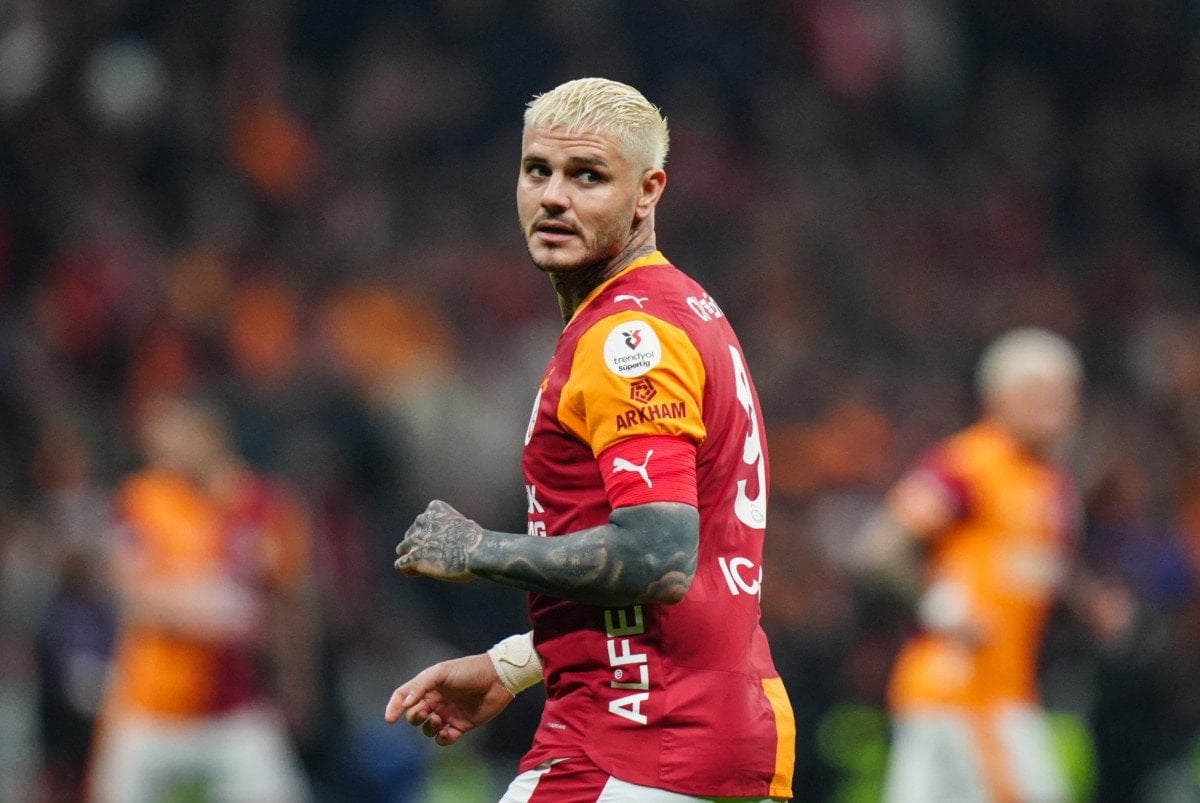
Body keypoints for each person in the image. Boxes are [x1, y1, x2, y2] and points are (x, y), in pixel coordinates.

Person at [384, 77, 796, 802]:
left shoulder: (626, 339)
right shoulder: (677, 307)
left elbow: (658, 555)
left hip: (635, 740)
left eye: (587, 177)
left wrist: (478, 549)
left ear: (647, 192)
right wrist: (514, 664)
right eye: (536, 170)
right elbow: (693, 571)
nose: (553, 197)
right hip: (709, 728)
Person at [854, 327, 1132, 803]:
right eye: (1037, 391)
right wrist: (945, 610)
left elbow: (1046, 566)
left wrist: (1092, 603)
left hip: (1007, 693)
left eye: (1065, 391)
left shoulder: (1055, 484)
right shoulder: (966, 464)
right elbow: (880, 551)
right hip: (958, 687)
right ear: (996, 398)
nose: (1055, 404)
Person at [87, 391, 318, 802]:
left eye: (168, 439)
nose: (159, 454)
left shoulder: (267, 505)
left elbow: (290, 600)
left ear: (207, 434)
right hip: (150, 707)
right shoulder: (144, 497)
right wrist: (218, 613)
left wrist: (296, 681)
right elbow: (132, 594)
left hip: (236, 704)